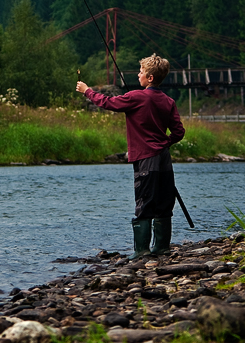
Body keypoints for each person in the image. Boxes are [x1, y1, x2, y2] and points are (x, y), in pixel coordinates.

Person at [76, 53, 185, 259]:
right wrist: (164, 142)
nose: (138, 74)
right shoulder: (169, 101)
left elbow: (108, 103)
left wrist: (87, 91)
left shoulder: (136, 97)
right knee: (163, 202)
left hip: (146, 158)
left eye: (141, 72)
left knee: (144, 200)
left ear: (150, 78)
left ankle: (141, 250)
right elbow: (178, 132)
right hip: (164, 159)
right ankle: (161, 247)